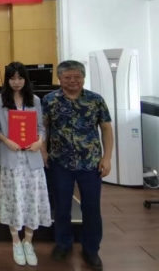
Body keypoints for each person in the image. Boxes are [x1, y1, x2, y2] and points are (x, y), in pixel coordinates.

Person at [42, 60, 113, 271]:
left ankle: (91, 249)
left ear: (83, 78)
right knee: (62, 206)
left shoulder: (95, 100)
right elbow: (43, 128)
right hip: (59, 162)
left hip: (90, 163)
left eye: (77, 77)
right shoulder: (49, 100)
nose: (72, 81)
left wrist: (107, 158)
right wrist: (43, 152)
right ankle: (63, 244)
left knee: (91, 207)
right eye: (67, 77)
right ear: (59, 79)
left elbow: (106, 129)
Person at [0, 62, 51, 267]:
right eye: (12, 78)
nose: (16, 82)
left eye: (20, 78)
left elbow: (41, 127)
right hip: (11, 157)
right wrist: (6, 140)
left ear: (26, 79)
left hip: (32, 159)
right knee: (13, 199)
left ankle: (28, 242)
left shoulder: (35, 100)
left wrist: (40, 142)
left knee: (32, 199)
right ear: (7, 80)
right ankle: (16, 241)